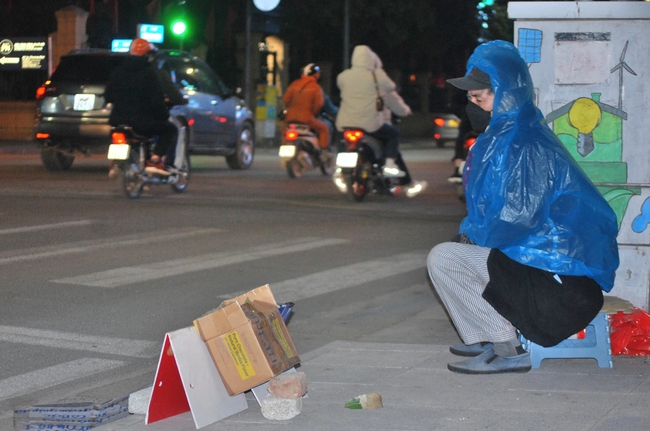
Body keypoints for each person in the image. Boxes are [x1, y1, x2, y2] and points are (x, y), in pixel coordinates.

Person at [427, 40, 619, 374]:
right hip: (543, 273)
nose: (472, 103)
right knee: (455, 252)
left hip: (560, 286)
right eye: (469, 97)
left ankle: (508, 348)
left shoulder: (524, 141)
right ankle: (493, 337)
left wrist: (472, 237)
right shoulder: (507, 135)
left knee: (446, 258)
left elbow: (517, 218)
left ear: (505, 92)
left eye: (480, 96)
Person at [336, 45, 426, 197]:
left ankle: (339, 170)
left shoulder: (343, 76)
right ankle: (390, 164)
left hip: (346, 122)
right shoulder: (376, 76)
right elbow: (391, 88)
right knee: (393, 134)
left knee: (341, 141)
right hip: (370, 124)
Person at [105, 38, 178, 175]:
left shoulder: (117, 72)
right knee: (170, 130)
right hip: (142, 123)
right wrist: (163, 115)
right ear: (147, 55)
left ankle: (116, 162)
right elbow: (157, 101)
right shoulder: (149, 74)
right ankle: (155, 160)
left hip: (118, 121)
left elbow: (108, 96)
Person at [282, 63, 331, 160]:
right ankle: (324, 152)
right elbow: (319, 104)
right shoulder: (316, 87)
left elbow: (286, 100)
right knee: (324, 128)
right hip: (307, 119)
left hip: (290, 118)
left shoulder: (294, 84)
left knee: (285, 130)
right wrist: (313, 113)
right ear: (316, 74)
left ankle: (284, 146)